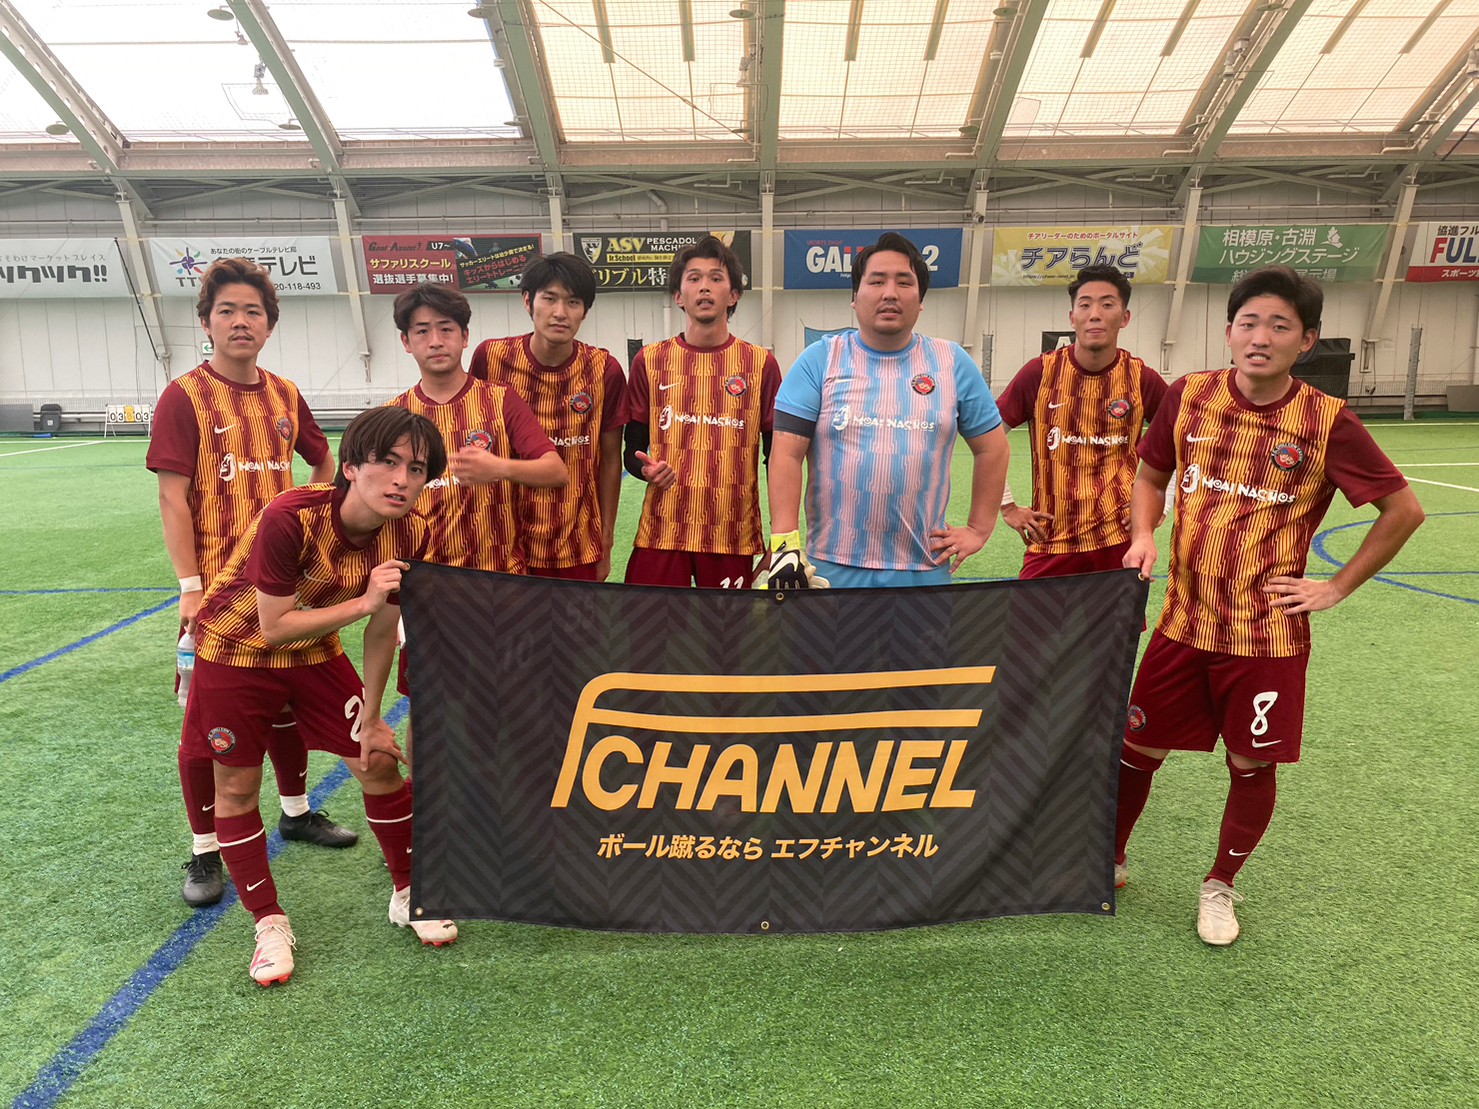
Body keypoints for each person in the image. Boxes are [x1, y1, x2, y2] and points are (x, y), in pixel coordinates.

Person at [1117, 266, 1424, 946]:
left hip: (1266, 639)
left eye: (1279, 326)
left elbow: (1403, 510)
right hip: (1182, 624)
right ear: (1229, 331)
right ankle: (1105, 860)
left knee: (1251, 764)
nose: (1260, 337)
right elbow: (1150, 475)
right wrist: (1143, 533)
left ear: (1306, 340)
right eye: (1249, 322)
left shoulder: (1326, 421)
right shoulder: (1188, 395)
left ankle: (1220, 885)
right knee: (1136, 746)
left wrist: (1335, 587)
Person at [183, 406, 456, 985]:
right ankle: (268, 920)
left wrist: (373, 716)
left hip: (314, 652)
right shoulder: (290, 516)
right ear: (350, 466)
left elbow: (384, 628)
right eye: (387, 462)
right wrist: (364, 602)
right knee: (237, 786)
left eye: (416, 468)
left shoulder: (412, 531)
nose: (402, 479)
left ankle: (409, 892)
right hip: (234, 652)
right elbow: (274, 626)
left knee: (377, 760)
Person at [147, 257, 357, 911]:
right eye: (227, 311)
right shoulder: (184, 396)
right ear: (206, 322)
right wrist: (189, 584)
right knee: (201, 731)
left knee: (286, 700)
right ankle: (205, 847)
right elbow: (172, 496)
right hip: (215, 595)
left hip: (282, 587)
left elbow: (323, 459)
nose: (241, 322)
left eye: (253, 312)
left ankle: (296, 811)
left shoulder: (285, 394)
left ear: (269, 324)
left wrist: (312, 517)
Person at [764, 232, 1009, 588]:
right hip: (832, 569)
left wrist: (978, 529)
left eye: (904, 282)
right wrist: (785, 544)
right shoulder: (819, 360)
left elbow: (993, 448)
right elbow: (786, 453)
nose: (890, 293)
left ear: (920, 300)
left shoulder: (952, 362)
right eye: (877, 281)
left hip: (923, 569)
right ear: (855, 297)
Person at [386, 281, 565, 766]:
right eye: (422, 331)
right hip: (426, 595)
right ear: (406, 342)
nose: (435, 341)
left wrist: (499, 467)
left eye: (446, 329)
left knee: (514, 707)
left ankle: (515, 796)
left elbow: (555, 471)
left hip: (502, 587)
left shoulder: (500, 400)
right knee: (428, 709)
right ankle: (429, 805)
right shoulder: (394, 416)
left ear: (465, 337)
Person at [622, 235, 781, 588]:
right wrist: (645, 470)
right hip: (662, 531)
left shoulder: (760, 365)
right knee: (647, 623)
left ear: (734, 295)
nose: (704, 287)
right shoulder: (650, 361)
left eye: (716, 278)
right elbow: (632, 449)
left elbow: (777, 456)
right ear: (678, 296)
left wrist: (782, 537)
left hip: (730, 534)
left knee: (728, 627)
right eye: (694, 278)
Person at [995, 264, 1168, 578]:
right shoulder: (1040, 373)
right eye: (1085, 305)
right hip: (1051, 540)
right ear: (1072, 317)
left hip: (1119, 542)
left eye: (1107, 304)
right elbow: (988, 437)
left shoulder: (1142, 379)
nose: (1095, 314)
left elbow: (1184, 442)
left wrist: (1161, 508)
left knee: (1118, 616)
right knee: (1029, 613)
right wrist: (1007, 505)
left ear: (1125, 317)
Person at [469, 252, 625, 580]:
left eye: (573, 302)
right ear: (528, 301)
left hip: (576, 543)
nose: (560, 313)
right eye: (549, 298)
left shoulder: (604, 370)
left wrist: (606, 540)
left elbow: (611, 460)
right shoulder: (491, 359)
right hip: (504, 542)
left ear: (585, 311)